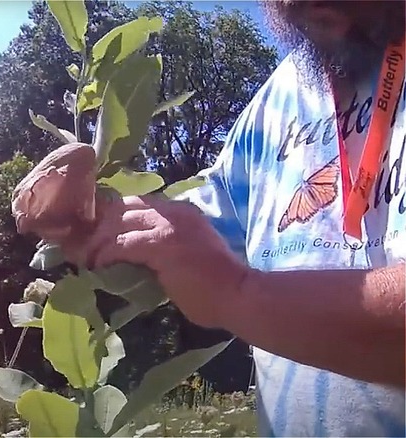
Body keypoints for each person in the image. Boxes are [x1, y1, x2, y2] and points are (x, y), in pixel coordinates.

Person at [70, 1, 406, 436]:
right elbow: (191, 240)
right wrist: (88, 207)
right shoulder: (282, 93)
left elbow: (219, 281)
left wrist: (237, 294)